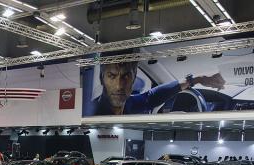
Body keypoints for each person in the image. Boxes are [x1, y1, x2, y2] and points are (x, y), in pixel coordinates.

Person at [86, 60, 226, 116]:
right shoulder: (90, 112)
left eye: (126, 76)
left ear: (134, 79)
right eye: (111, 76)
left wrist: (197, 79)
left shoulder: (130, 104)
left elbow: (153, 96)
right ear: (101, 78)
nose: (119, 86)